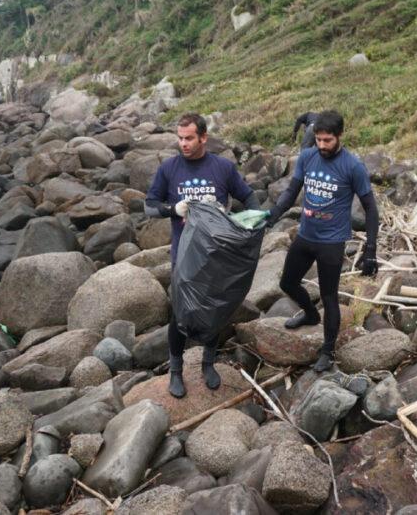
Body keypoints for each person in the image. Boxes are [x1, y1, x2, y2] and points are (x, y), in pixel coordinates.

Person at [145, 113, 261, 398]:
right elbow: (149, 206)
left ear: (203, 137)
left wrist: (239, 220)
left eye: (189, 138)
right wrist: (175, 209)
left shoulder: (222, 168)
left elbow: (251, 199)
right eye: (180, 138)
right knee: (180, 314)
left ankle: (209, 363)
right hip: (184, 255)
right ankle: (176, 370)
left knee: (215, 310)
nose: (183, 143)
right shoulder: (170, 168)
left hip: (217, 255)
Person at [268, 110, 379, 372]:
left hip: (331, 242)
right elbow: (291, 191)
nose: (322, 146)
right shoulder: (307, 157)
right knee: (287, 282)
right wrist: (272, 215)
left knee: (329, 297)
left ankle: (328, 351)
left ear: (339, 136)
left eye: (327, 141)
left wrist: (371, 250)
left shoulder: (352, 166)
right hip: (306, 234)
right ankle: (309, 313)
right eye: (318, 140)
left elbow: (371, 209)